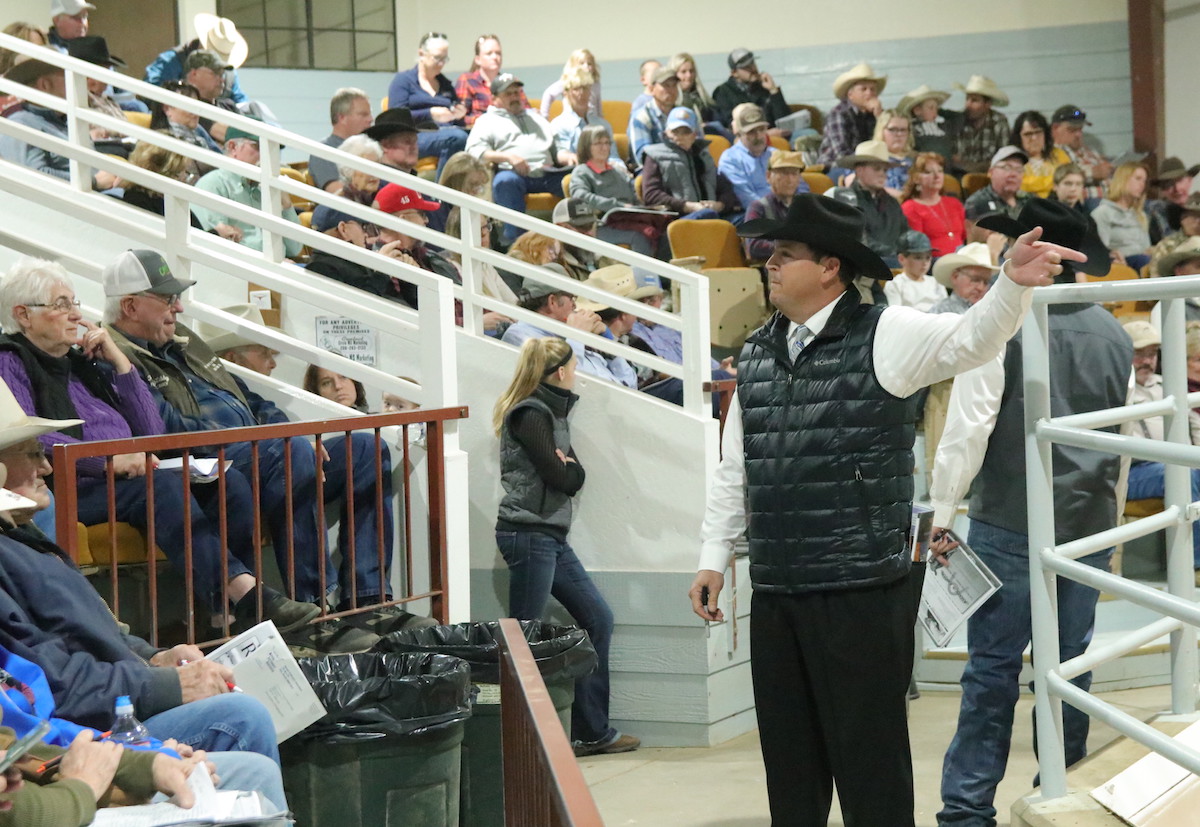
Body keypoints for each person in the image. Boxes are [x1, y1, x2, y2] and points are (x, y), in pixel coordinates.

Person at [689, 192, 1084, 826]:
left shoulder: (889, 331)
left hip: (862, 591)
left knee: (871, 769)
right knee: (790, 769)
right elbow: (738, 464)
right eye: (771, 253)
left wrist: (1009, 283)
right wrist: (714, 554)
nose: (770, 264)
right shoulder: (760, 349)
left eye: (785, 254)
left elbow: (970, 340)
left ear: (829, 268)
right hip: (778, 587)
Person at [929, 199, 1132, 827]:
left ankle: (967, 810)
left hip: (1008, 519)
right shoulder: (1115, 333)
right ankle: (1060, 791)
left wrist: (942, 508)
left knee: (991, 669)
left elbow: (969, 427)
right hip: (1088, 519)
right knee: (1069, 665)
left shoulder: (1002, 326)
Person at [0, 256, 316, 631]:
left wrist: (121, 364)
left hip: (125, 479)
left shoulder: (83, 360)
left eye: (74, 302)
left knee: (227, 482)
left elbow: (152, 433)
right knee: (162, 486)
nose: (74, 314)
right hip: (70, 485)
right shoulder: (10, 360)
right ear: (23, 315)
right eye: (60, 305)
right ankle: (249, 598)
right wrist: (105, 463)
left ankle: (226, 614)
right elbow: (29, 435)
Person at [101, 251, 383, 652]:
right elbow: (166, 429)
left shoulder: (186, 343)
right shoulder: (114, 358)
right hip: (205, 463)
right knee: (290, 453)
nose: (177, 307)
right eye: (166, 300)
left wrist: (290, 430)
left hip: (250, 452)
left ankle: (368, 597)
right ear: (130, 306)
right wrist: (267, 440)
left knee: (364, 448)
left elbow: (251, 399)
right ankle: (313, 608)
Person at [0, 378, 284, 755]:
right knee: (242, 716)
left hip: (119, 700)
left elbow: (93, 634)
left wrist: (154, 657)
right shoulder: (10, 553)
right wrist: (169, 685)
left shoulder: (23, 535)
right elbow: (56, 685)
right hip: (88, 731)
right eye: (33, 452)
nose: (47, 467)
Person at [493, 337, 640, 757]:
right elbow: (564, 478)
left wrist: (569, 468)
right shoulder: (531, 413)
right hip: (528, 533)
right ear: (560, 371)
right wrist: (568, 468)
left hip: (550, 535)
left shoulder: (551, 412)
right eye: (574, 366)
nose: (576, 374)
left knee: (598, 619)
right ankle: (516, 735)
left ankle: (591, 732)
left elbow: (572, 473)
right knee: (524, 634)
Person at [1121, 320, 1200, 575]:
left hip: (1176, 463)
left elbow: (1195, 425)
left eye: (1152, 353)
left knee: (1189, 472)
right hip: (1135, 473)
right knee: (1185, 476)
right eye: (1139, 354)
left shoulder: (1168, 384)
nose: (1147, 361)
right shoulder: (1118, 388)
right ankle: (1194, 565)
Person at [464, 73, 570, 244]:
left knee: (577, 178)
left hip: (547, 172)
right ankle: (516, 244)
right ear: (494, 98)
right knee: (505, 182)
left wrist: (567, 156)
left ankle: (579, 236)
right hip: (514, 174)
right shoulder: (486, 121)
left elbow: (556, 149)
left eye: (517, 92)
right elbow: (474, 151)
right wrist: (508, 157)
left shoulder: (535, 117)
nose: (514, 97)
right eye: (508, 94)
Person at [0, 55, 118, 190]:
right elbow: (33, 176)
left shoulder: (65, 119)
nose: (78, 83)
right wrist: (92, 181)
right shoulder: (20, 123)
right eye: (66, 76)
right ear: (44, 84)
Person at [190, 125, 304, 259]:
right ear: (233, 147)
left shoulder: (266, 190)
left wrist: (286, 207)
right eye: (259, 147)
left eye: (272, 151)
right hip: (240, 270)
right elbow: (215, 245)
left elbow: (295, 249)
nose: (268, 157)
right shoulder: (212, 184)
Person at [568, 125, 661, 257]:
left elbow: (634, 198)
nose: (604, 147)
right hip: (600, 225)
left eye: (607, 143)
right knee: (639, 236)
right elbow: (580, 197)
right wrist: (618, 206)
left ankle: (663, 277)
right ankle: (645, 277)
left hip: (628, 220)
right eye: (598, 143)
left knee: (662, 230)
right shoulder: (582, 171)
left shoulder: (617, 171)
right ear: (586, 146)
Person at [118, 141, 239, 241]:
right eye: (179, 173)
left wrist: (217, 234)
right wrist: (216, 235)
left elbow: (193, 236)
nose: (184, 180)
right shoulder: (136, 202)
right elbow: (166, 243)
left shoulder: (169, 200)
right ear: (163, 173)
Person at [386, 33, 469, 178]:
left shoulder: (446, 85)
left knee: (469, 138)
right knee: (458, 138)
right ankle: (443, 193)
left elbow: (458, 123)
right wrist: (429, 114)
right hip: (413, 136)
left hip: (447, 134)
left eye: (445, 59)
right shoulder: (403, 81)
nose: (441, 64)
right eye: (437, 58)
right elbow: (394, 118)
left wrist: (458, 114)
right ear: (421, 54)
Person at [642, 107, 739, 222]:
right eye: (675, 132)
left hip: (712, 215)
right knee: (707, 215)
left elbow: (726, 189)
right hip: (678, 219)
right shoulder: (654, 156)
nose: (679, 137)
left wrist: (720, 205)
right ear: (666, 132)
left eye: (685, 132)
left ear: (694, 134)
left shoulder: (703, 156)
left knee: (748, 221)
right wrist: (687, 206)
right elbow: (651, 195)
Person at [143, 14, 250, 108]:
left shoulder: (229, 73)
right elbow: (148, 92)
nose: (221, 78)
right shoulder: (171, 61)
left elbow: (240, 101)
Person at [827, 140, 907, 264]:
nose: (883, 174)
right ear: (860, 171)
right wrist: (895, 253)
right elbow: (856, 240)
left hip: (896, 261)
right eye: (877, 169)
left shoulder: (892, 203)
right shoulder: (845, 199)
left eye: (885, 170)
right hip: (863, 265)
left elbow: (905, 233)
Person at [719, 103, 799, 215]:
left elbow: (801, 186)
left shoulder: (776, 154)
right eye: (751, 132)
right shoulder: (730, 159)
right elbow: (746, 198)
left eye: (762, 130)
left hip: (788, 211)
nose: (759, 136)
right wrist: (778, 210)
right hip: (753, 214)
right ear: (739, 133)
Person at [817, 61, 886, 170]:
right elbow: (841, 154)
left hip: (869, 166)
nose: (869, 93)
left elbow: (885, 146)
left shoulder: (876, 112)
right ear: (850, 95)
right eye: (863, 89)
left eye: (872, 89)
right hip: (835, 166)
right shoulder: (839, 113)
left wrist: (880, 117)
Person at [147, 80, 221, 178]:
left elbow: (219, 156)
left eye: (197, 105)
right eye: (189, 105)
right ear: (167, 109)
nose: (196, 111)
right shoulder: (162, 143)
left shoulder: (198, 130)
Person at [900, 152, 967, 259]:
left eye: (940, 171)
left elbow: (965, 236)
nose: (937, 176)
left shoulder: (954, 203)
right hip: (931, 262)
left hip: (961, 259)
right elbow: (917, 246)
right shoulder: (910, 207)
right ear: (916, 178)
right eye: (928, 172)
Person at [743, 151, 806, 261]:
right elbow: (754, 246)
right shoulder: (758, 207)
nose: (790, 179)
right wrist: (790, 248)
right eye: (784, 173)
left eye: (794, 174)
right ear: (768, 176)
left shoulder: (805, 208)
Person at [308, 88, 373, 193]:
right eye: (363, 114)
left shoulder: (372, 149)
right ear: (342, 117)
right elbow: (338, 192)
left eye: (369, 114)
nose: (371, 119)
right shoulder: (323, 151)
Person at [1091, 162, 1153, 271]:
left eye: (1144, 181)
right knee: (1144, 261)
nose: (1142, 184)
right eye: (1138, 179)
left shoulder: (1140, 215)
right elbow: (1099, 252)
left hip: (1143, 261)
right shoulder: (1102, 213)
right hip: (1120, 263)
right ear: (1123, 179)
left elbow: (1146, 248)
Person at [549, 67, 617, 165]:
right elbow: (561, 153)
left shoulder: (603, 125)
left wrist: (619, 168)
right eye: (576, 89)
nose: (581, 93)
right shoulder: (559, 124)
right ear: (566, 93)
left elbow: (614, 157)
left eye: (585, 88)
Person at [454, 34, 525, 127]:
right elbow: (460, 117)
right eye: (489, 53)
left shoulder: (511, 82)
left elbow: (526, 109)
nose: (495, 57)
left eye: (498, 53)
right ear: (478, 59)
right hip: (481, 132)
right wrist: (489, 120)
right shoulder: (467, 80)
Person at [711, 48, 790, 131]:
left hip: (777, 136)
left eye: (753, 63)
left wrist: (773, 90)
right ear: (734, 73)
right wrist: (766, 134)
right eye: (746, 67)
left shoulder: (764, 87)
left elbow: (785, 121)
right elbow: (732, 126)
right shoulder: (723, 92)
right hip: (747, 138)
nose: (753, 69)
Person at [963, 146, 1033, 240]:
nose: (1013, 174)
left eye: (1019, 170)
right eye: (1007, 167)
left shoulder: (1030, 200)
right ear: (991, 172)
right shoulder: (977, 202)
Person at [1049, 104, 1113, 202]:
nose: (1078, 134)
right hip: (1087, 203)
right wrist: (1092, 173)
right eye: (1072, 130)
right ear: (1055, 128)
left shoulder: (1088, 151)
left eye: (1080, 129)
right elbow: (1059, 177)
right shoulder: (1053, 153)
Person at [953, 75, 1010, 173]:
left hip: (991, 178)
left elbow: (1004, 158)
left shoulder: (999, 122)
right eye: (967, 99)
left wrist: (972, 167)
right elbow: (953, 160)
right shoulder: (957, 120)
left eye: (974, 100)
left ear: (988, 104)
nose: (968, 104)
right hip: (961, 178)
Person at [928, 242, 999, 315]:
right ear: (955, 277)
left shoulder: (991, 311)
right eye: (975, 280)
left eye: (986, 282)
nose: (981, 288)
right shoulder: (940, 312)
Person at [628, 65, 679, 162]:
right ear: (651, 89)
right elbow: (643, 157)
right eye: (666, 85)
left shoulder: (685, 114)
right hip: (654, 173)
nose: (671, 90)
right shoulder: (641, 117)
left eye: (674, 85)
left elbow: (701, 150)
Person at [364, 106, 432, 178]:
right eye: (407, 142)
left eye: (415, 141)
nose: (414, 147)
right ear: (385, 145)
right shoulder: (375, 183)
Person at [884, 231, 945, 311]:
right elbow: (896, 315)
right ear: (902, 259)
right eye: (918, 258)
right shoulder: (896, 284)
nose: (925, 263)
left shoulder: (936, 283)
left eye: (928, 257)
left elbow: (945, 310)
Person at [900, 83, 959, 162]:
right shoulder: (912, 128)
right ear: (917, 110)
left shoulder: (943, 126)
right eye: (931, 108)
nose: (935, 112)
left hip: (946, 170)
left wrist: (942, 112)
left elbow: (958, 117)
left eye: (937, 108)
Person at [1147, 157, 1200, 242]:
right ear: (1163, 190)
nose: (1177, 189)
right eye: (1169, 184)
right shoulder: (1156, 214)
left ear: (1189, 181)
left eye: (1180, 181)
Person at [538, 49, 602, 119]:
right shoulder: (568, 81)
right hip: (572, 120)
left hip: (591, 121)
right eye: (582, 63)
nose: (586, 66)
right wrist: (544, 116)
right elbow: (549, 93)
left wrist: (600, 118)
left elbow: (598, 104)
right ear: (573, 65)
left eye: (589, 64)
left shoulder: (595, 83)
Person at [1149, 192, 1200, 273]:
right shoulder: (1166, 246)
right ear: (1182, 218)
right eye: (1194, 216)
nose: (1198, 221)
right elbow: (1157, 277)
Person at [1010, 110, 1057, 198]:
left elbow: (1069, 179)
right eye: (1028, 134)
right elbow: (1017, 184)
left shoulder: (1059, 155)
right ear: (1018, 137)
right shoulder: (1010, 158)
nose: (1034, 138)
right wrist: (1053, 183)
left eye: (1038, 132)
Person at [668, 52, 717, 128]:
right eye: (683, 72)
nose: (689, 75)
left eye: (691, 71)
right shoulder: (670, 102)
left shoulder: (703, 99)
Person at [874, 108, 914, 198]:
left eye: (903, 130)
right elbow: (854, 183)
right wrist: (902, 196)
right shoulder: (869, 156)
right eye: (893, 129)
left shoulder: (916, 159)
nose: (899, 134)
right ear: (881, 130)